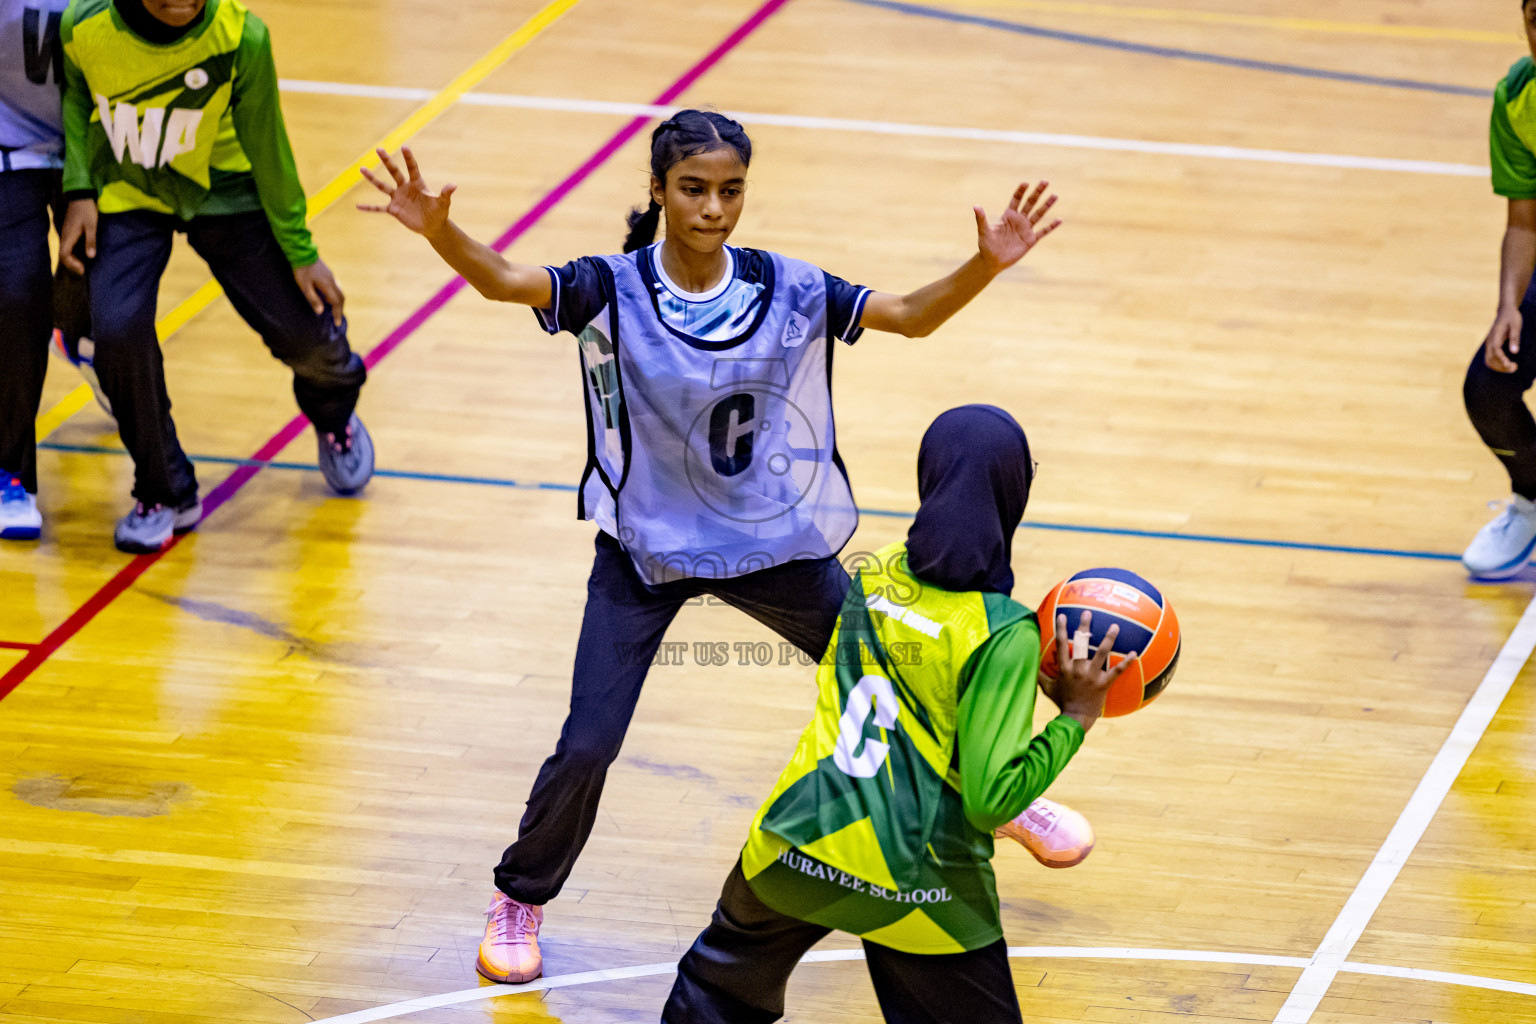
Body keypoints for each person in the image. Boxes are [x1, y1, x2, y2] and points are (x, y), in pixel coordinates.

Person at [361, 111, 1085, 985]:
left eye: (730, 190)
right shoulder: (607, 288)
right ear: (659, 191)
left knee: (902, 663)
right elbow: (507, 280)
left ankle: (1002, 798)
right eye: (695, 190)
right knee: (588, 742)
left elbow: (909, 317)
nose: (714, 208)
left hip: (769, 545)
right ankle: (520, 896)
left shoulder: (787, 285)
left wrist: (985, 264)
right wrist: (441, 231)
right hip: (647, 556)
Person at [661, 405, 1133, 1024]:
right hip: (919, 879)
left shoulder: (876, 572)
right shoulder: (1003, 633)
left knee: (711, 996)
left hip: (795, 840)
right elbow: (991, 805)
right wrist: (1075, 715)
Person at [56, 0, 374, 555]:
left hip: (225, 192)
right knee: (118, 332)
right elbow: (78, 92)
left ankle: (333, 413)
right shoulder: (85, 26)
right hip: (131, 194)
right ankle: (163, 487)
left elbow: (269, 148)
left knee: (308, 332)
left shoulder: (241, 37)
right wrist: (78, 188)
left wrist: (301, 252)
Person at [0, 0, 90, 540]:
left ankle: (81, 335)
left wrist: (82, 185)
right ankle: (10, 470)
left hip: (106, 149)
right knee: (14, 296)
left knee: (110, 297)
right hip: (11, 147)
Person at [1463, 0, 1536, 578]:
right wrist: (1508, 306)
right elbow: (1523, 222)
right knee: (1489, 387)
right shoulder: (1518, 97)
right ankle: (1532, 499)